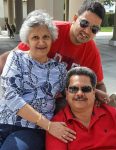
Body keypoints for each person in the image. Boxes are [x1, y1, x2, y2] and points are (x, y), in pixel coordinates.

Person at [0, 1, 116, 109]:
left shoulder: (91, 50)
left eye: (94, 29)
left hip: (61, 98)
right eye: (84, 23)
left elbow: (100, 84)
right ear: (75, 18)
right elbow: (11, 56)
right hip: (30, 95)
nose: (87, 31)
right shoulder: (50, 31)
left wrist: (101, 98)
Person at [0, 10, 76, 150]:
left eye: (46, 37)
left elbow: (74, 90)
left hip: (33, 130)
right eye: (35, 37)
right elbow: (10, 95)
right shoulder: (16, 58)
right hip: (3, 122)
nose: (41, 42)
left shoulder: (59, 69)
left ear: (52, 39)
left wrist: (96, 92)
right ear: (27, 40)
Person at [46, 67, 116, 150]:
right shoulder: (58, 125)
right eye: (73, 89)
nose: (79, 93)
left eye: (86, 89)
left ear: (94, 92)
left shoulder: (112, 114)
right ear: (67, 93)